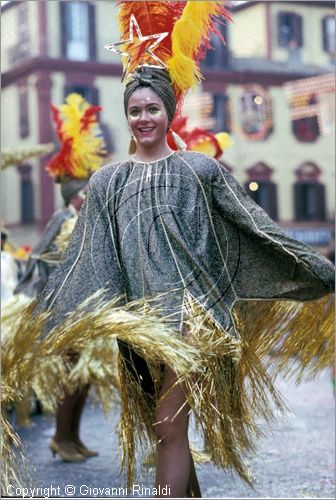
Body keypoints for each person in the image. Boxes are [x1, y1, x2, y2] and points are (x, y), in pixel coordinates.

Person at [28, 3, 334, 497]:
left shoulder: (200, 171)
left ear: (169, 111)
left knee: (170, 429)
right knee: (163, 429)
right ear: (125, 115)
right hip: (138, 324)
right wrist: (48, 322)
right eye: (134, 110)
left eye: (152, 108)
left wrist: (317, 268)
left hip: (194, 318)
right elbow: (85, 257)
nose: (143, 117)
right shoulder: (108, 181)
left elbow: (256, 228)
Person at [14, 92, 106, 463]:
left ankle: (73, 436)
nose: (89, 196)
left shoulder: (85, 222)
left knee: (84, 377)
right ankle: (61, 438)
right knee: (71, 379)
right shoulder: (61, 219)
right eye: (85, 191)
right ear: (73, 194)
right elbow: (40, 261)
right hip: (64, 313)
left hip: (86, 311)